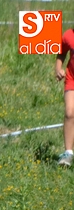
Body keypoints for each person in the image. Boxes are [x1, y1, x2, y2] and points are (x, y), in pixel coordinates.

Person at [55, 28, 74, 166]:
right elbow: (61, 53)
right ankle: (68, 153)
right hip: (72, 79)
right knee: (69, 112)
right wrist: (58, 69)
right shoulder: (69, 35)